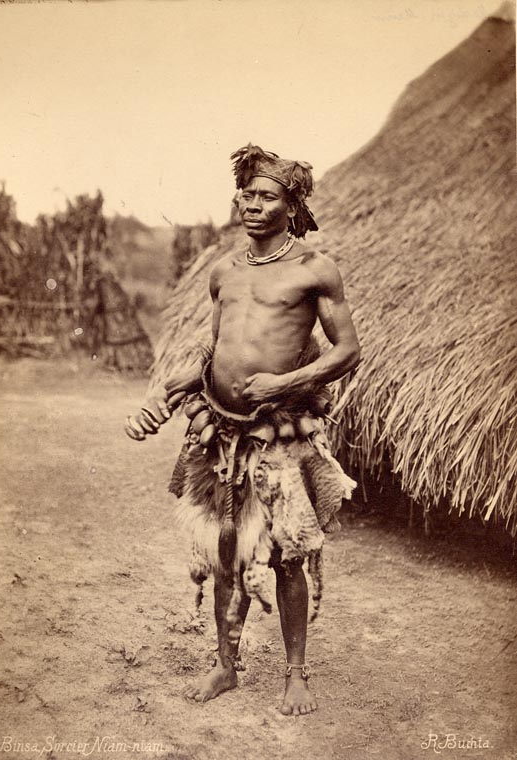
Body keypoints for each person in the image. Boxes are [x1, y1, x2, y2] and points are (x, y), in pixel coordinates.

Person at [125, 144, 361, 716]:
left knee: (286, 555)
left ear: (292, 204)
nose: (252, 205)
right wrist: (176, 389)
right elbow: (215, 345)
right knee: (224, 548)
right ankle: (227, 667)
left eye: (267, 196)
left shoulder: (314, 270)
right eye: (247, 194)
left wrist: (284, 385)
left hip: (279, 428)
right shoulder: (224, 272)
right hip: (221, 431)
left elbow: (348, 351)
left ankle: (296, 675)